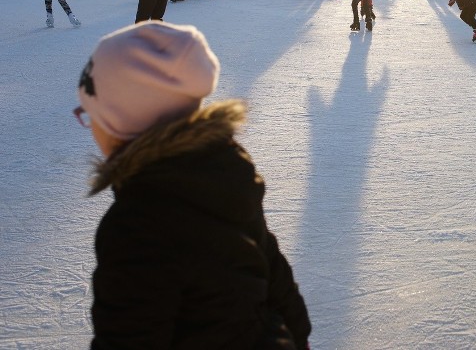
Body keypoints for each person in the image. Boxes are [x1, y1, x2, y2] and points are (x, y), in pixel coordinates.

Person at [77, 21, 311, 349]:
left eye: (89, 114)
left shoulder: (136, 226)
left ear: (120, 124)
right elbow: (271, 267)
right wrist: (299, 336)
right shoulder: (224, 170)